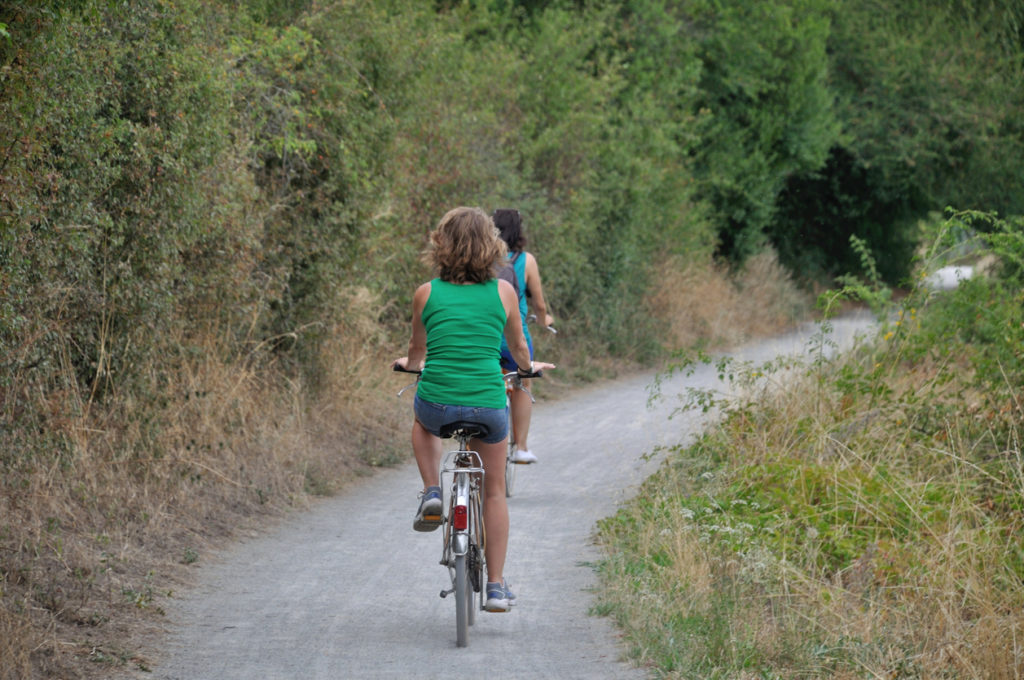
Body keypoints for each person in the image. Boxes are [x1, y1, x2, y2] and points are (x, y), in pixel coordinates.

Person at [393, 206, 555, 613]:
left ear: (441, 245)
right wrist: (526, 369)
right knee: (495, 492)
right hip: (488, 405)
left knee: (422, 420)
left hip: (438, 405)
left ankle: (432, 490)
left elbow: (417, 353)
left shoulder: (426, 293)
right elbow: (518, 348)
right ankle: (497, 587)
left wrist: (409, 366)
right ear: (492, 246)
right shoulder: (502, 293)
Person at [492, 208, 554, 465]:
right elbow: (538, 304)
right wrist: (544, 320)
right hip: (513, 336)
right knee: (523, 381)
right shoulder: (525, 260)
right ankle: (521, 448)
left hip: (486, 333)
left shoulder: (482, 257)